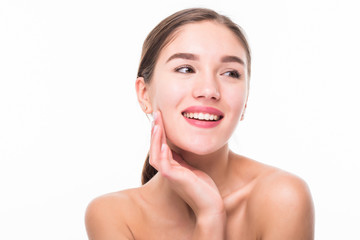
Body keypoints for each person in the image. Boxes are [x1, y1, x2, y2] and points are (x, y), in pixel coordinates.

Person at [85, 8, 314, 240]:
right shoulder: (113, 214)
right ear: (144, 94)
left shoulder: (283, 198)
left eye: (230, 73)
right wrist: (210, 216)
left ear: (245, 102)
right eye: (185, 69)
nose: (209, 90)